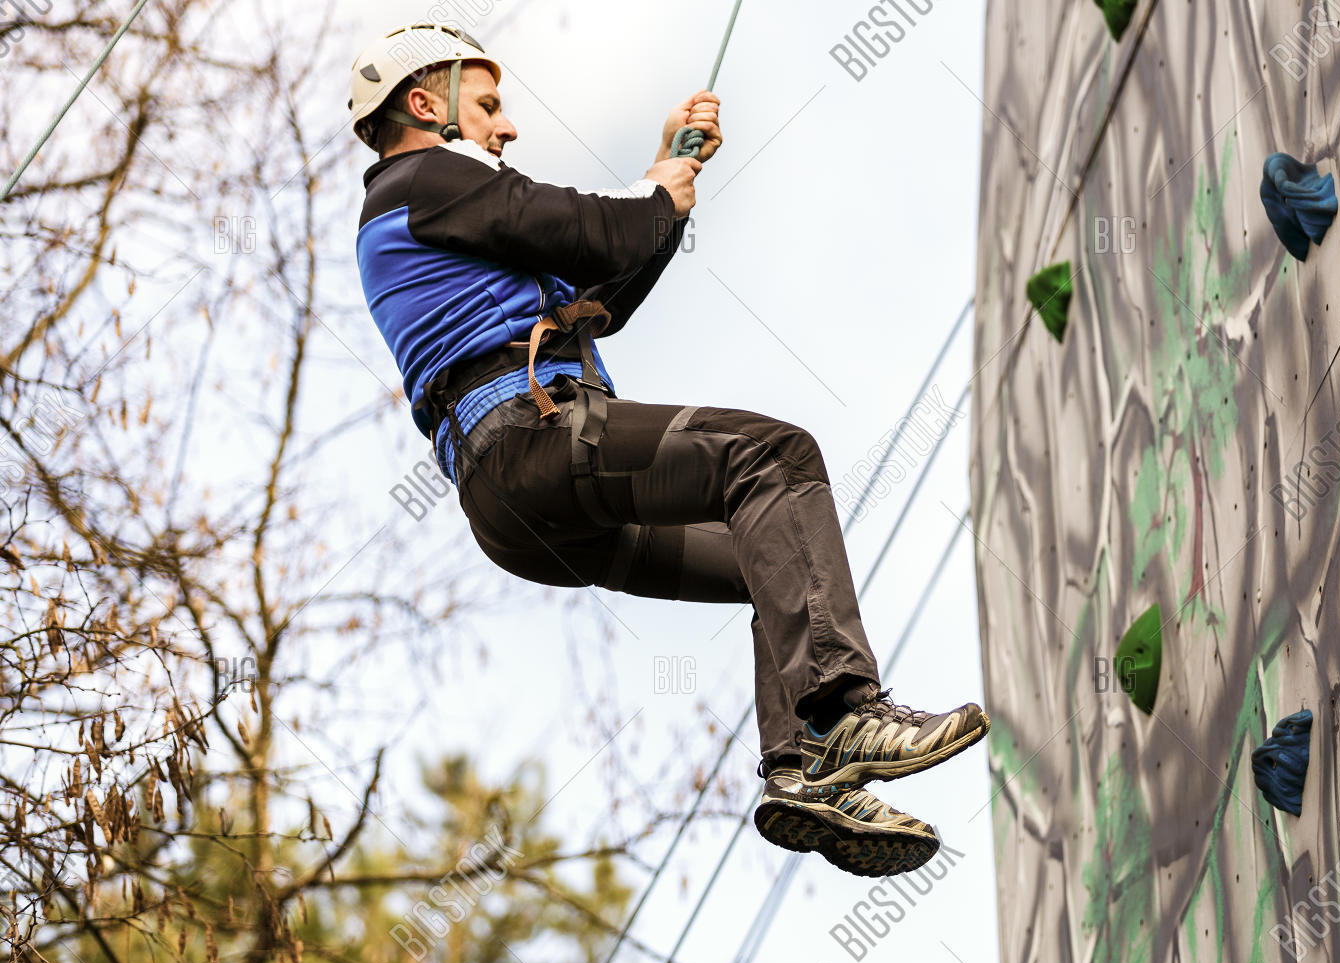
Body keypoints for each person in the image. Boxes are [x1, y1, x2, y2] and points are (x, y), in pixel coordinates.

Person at [350, 23, 988, 877]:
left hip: (517, 499)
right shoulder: (422, 176)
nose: (506, 129)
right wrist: (655, 193)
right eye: (490, 105)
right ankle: (844, 713)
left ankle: (801, 773)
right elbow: (585, 226)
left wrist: (667, 195)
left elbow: (593, 297)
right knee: (778, 458)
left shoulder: (432, 207)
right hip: (534, 443)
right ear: (425, 106)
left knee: (771, 559)